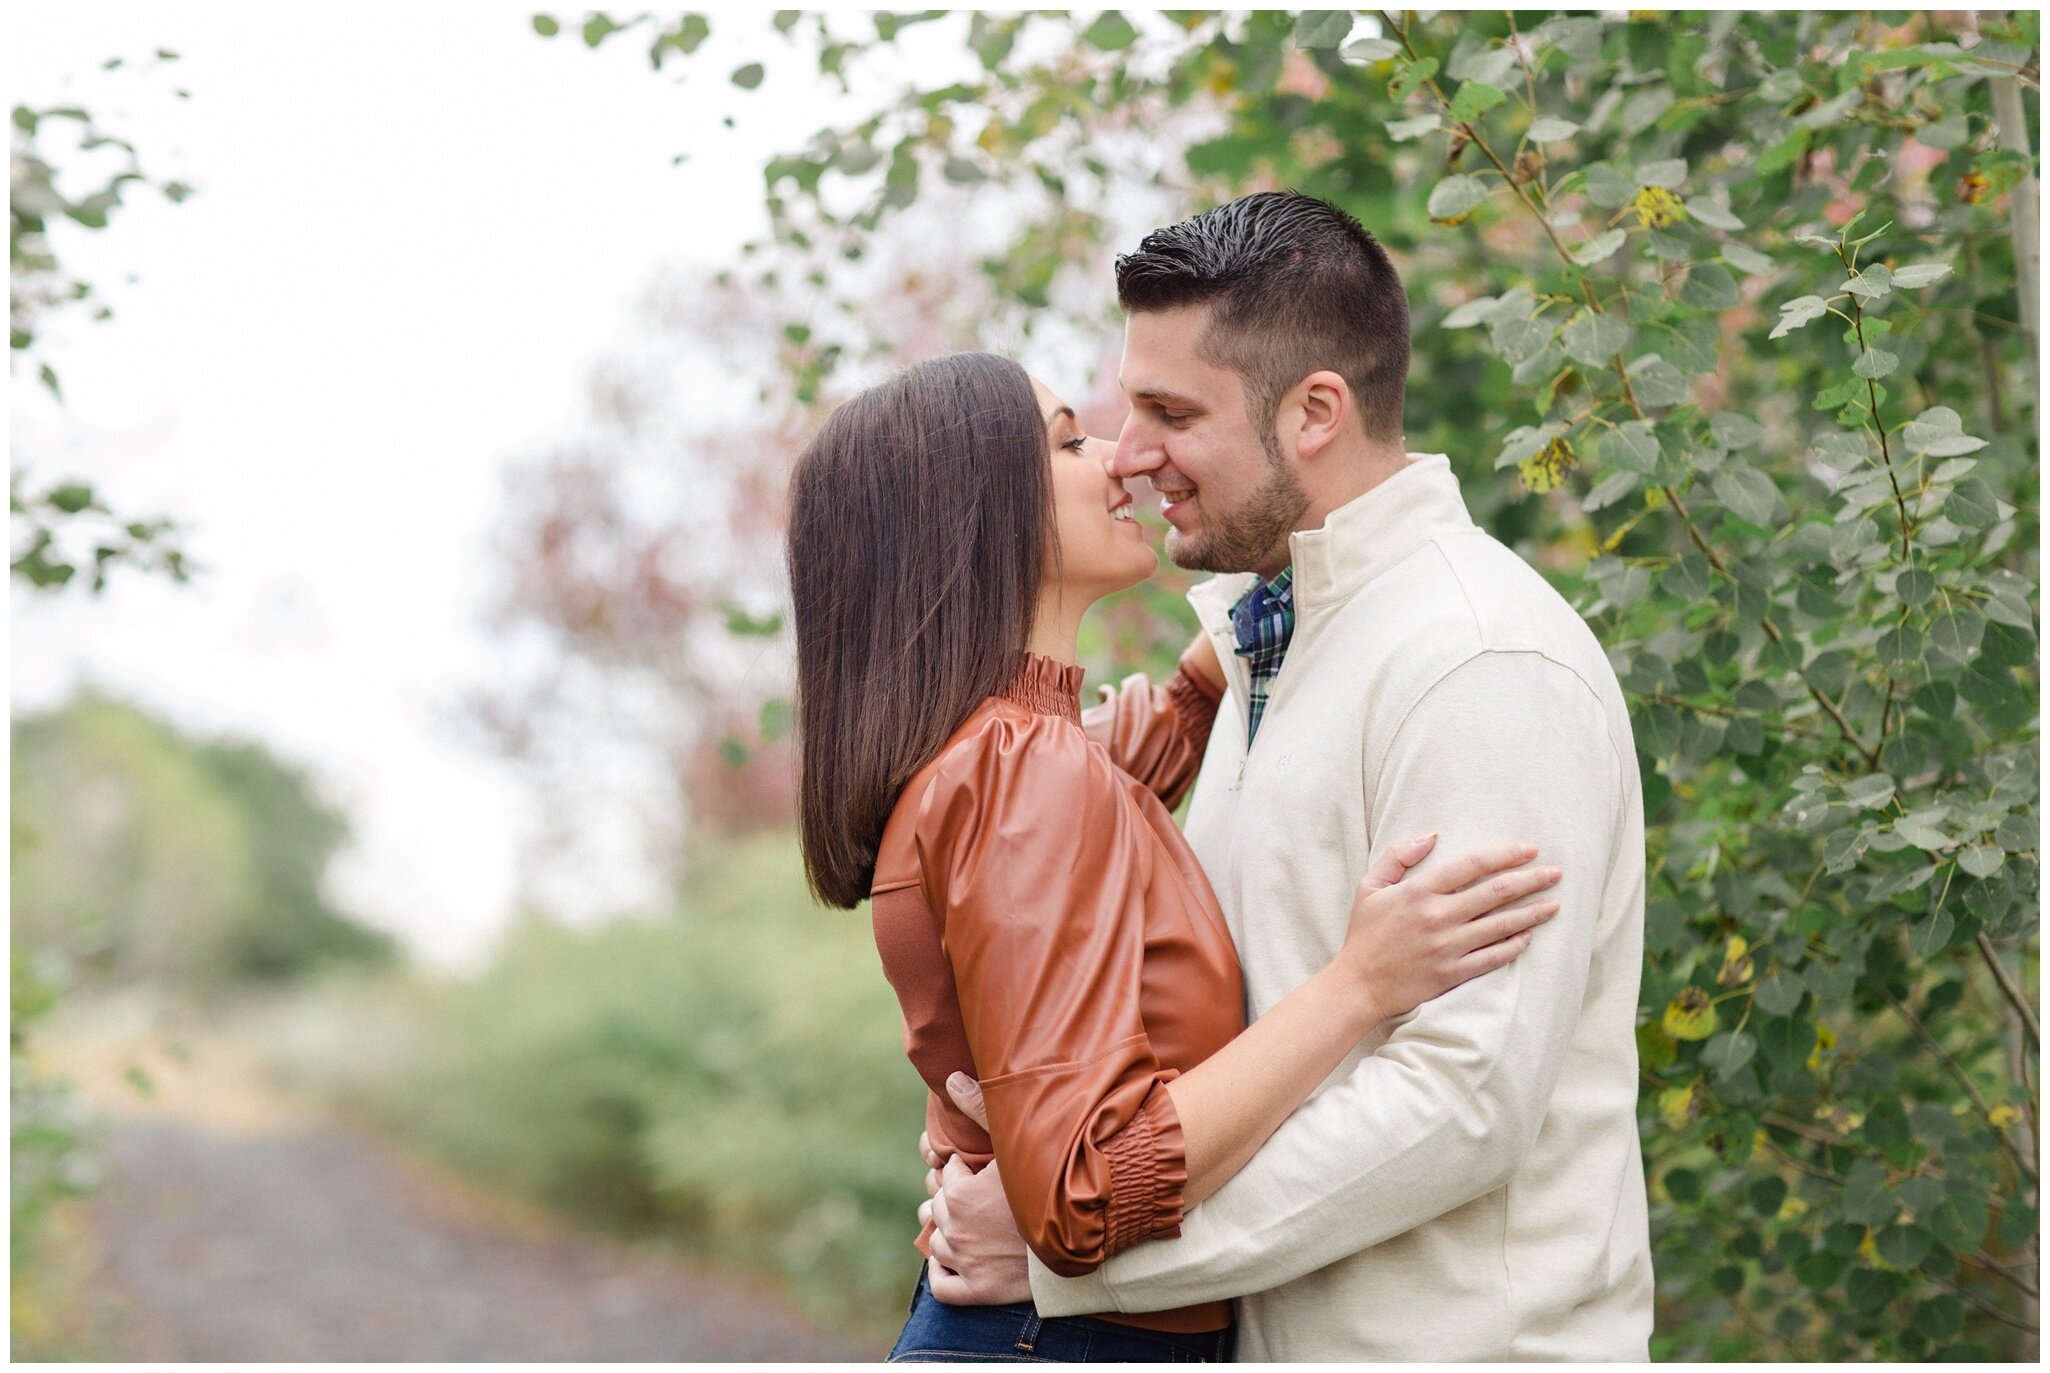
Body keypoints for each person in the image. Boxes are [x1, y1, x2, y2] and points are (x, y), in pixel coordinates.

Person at [921, 193, 1655, 1360]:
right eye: (1121, 409)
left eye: (1170, 411)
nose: (1133, 452)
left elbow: (1462, 1100)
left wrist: (1088, 1259)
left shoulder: (1476, 657)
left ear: (1316, 411)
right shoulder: (1281, 647)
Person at [785, 350, 1563, 1362]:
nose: (1120, 458)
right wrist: (1359, 986)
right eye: (1070, 439)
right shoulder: (1026, 771)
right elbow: (1085, 1190)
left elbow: (1173, 725)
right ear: (975, 516)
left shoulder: (1012, 756)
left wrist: (1321, 530)